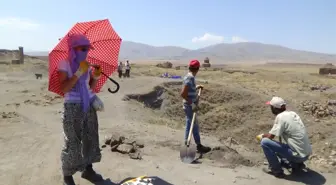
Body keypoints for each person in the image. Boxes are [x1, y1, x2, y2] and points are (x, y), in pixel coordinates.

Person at [58, 34, 104, 185]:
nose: (86, 52)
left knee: (90, 137)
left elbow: (90, 88)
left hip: (88, 104)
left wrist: (95, 76)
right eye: (83, 49)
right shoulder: (64, 64)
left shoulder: (86, 65)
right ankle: (67, 175)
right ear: (74, 49)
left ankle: (88, 170)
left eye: (87, 49)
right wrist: (78, 73)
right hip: (72, 106)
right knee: (73, 140)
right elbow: (64, 88)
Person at [258, 96, 312, 178]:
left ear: (275, 108)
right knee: (283, 144)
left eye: (271, 107)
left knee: (265, 142)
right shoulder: (293, 114)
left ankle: (276, 171)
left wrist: (262, 135)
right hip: (306, 154)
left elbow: (270, 137)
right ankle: (296, 165)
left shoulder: (281, 117)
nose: (270, 109)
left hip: (298, 156)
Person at [180, 59, 211, 154]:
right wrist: (192, 103)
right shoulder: (190, 78)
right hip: (190, 106)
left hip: (189, 105)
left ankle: (187, 143)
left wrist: (196, 87)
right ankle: (198, 146)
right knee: (194, 125)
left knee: (190, 124)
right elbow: (183, 94)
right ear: (197, 69)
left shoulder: (188, 76)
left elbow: (188, 89)